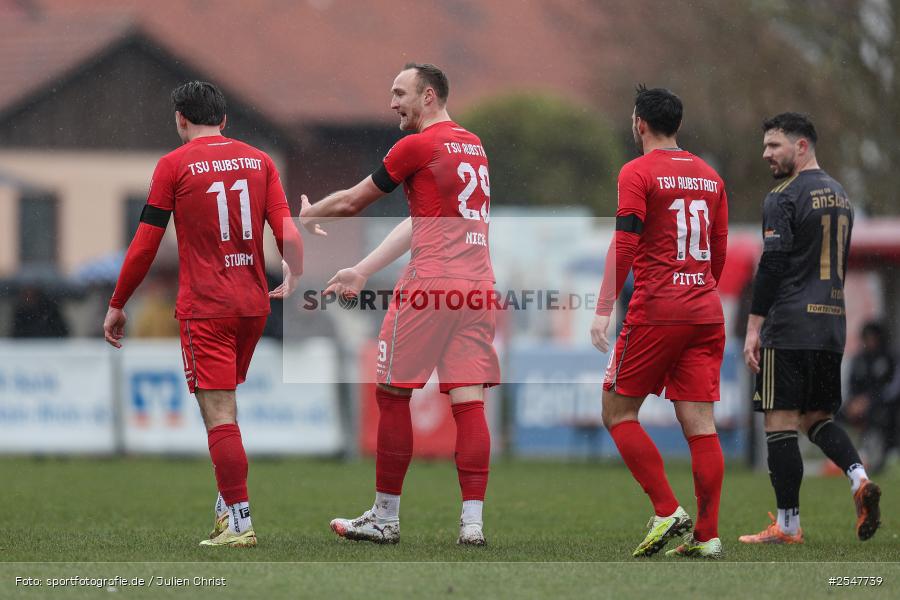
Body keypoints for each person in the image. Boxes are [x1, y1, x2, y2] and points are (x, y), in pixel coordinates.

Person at [295, 63, 498, 546]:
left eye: (399, 93)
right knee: (469, 402)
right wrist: (364, 269)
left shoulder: (417, 145)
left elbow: (351, 203)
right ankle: (472, 524)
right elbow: (425, 219)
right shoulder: (474, 145)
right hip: (479, 285)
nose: (392, 103)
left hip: (430, 286)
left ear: (429, 96)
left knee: (390, 394)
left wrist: (309, 211)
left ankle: (385, 517)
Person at [103, 81, 304, 548]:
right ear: (225, 119)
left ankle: (239, 522)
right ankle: (225, 511)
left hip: (207, 307)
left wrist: (118, 302)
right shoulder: (261, 161)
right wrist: (296, 272)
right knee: (226, 410)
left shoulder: (173, 165)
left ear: (180, 119)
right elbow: (286, 227)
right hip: (253, 306)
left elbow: (145, 244)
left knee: (219, 415)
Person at [590, 85, 729, 559]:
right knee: (701, 424)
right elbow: (721, 247)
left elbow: (626, 243)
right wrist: (699, 291)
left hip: (658, 310)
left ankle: (668, 509)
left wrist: (604, 307)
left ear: (639, 124)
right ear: (679, 125)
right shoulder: (710, 176)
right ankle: (707, 537)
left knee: (617, 411)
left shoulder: (637, 171)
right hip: (706, 310)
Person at [740, 112, 880, 545]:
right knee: (818, 418)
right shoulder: (841, 195)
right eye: (765, 146)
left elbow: (774, 264)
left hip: (790, 325)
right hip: (832, 326)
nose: (766, 154)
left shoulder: (782, 196)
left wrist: (753, 326)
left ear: (802, 147)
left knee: (779, 423)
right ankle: (858, 477)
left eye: (775, 146)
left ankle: (788, 526)